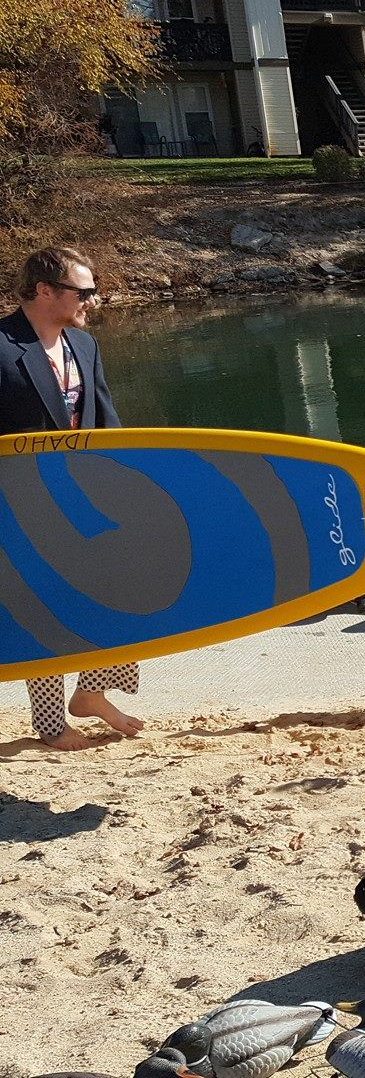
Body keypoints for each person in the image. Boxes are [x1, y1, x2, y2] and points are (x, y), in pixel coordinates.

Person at [1, 246, 144, 750]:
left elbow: (106, 422)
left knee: (124, 591)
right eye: (83, 292)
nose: (93, 299)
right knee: (43, 608)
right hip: (20, 508)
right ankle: (50, 725)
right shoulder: (1, 346)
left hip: (88, 498)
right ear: (44, 291)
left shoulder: (84, 347)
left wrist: (131, 483)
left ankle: (91, 692)